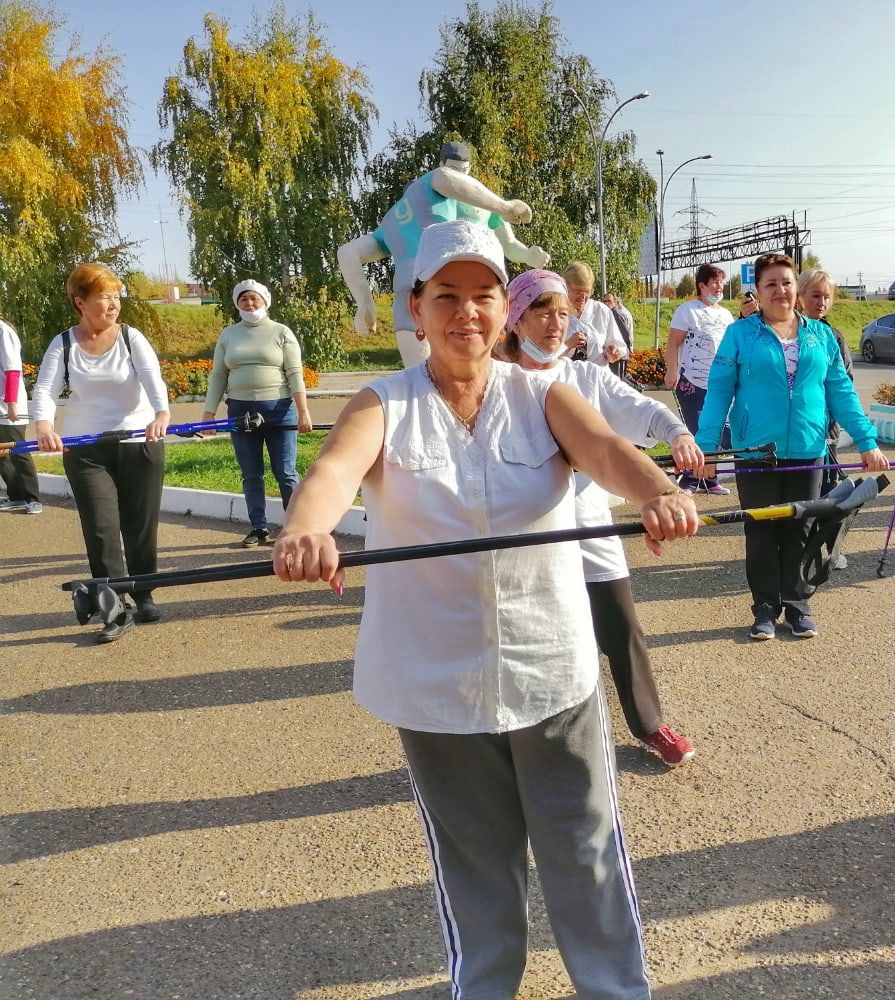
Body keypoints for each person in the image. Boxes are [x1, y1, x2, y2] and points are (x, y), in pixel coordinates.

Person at [273, 220, 696, 999]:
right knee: (475, 862)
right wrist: (307, 529)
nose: (466, 311)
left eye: (483, 295)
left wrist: (657, 491)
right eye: (447, 296)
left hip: (549, 669)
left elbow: (603, 449)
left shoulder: (543, 393)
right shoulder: (383, 402)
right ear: (416, 306)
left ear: (504, 308)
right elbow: (333, 472)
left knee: (585, 848)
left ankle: (615, 990)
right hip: (436, 683)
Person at [507, 269, 701, 766]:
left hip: (591, 528)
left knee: (622, 629)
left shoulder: (586, 377)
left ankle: (651, 725)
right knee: (534, 639)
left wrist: (677, 434)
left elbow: (644, 412)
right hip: (522, 536)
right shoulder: (495, 382)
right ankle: (536, 736)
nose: (555, 322)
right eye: (542, 310)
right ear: (515, 319)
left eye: (563, 312)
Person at [697, 252, 889, 640]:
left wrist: (867, 440)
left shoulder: (821, 336)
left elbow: (841, 393)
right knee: (762, 531)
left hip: (808, 449)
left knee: (801, 529)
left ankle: (798, 605)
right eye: (771, 284)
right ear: (759, 291)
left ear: (795, 289)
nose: (780, 291)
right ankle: (765, 607)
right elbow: (718, 392)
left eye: (786, 283)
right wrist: (706, 449)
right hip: (756, 451)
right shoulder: (740, 334)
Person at [31, 263, 171, 643]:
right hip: (86, 448)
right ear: (80, 302)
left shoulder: (131, 338)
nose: (112, 304)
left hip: (137, 441)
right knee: (101, 529)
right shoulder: (63, 344)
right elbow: (44, 390)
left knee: (139, 525)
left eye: (115, 296)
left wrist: (161, 414)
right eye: (103, 297)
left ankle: (143, 592)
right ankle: (115, 606)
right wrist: (44, 425)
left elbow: (152, 378)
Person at [337, 139, 550, 366]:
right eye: (456, 169)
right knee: (440, 381)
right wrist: (505, 208)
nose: (459, 175)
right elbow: (443, 178)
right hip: (453, 294)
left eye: (463, 171)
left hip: (419, 296)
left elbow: (348, 253)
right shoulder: (433, 186)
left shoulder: (479, 204)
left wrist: (365, 303)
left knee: (429, 381)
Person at [201, 280, 313, 546]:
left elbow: (295, 373)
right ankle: (258, 528)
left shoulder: (281, 332)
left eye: (254, 298)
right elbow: (218, 375)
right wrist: (209, 413)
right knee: (251, 473)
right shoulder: (229, 335)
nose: (249, 303)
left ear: (265, 301)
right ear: (237, 304)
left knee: (285, 472)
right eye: (243, 299)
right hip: (240, 412)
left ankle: (296, 529)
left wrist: (303, 412)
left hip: (279, 410)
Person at [666, 263, 734, 495]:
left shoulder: (726, 314)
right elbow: (673, 343)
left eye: (721, 282)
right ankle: (690, 479)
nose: (719, 287)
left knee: (716, 429)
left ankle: (711, 478)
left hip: (720, 383)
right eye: (714, 282)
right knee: (696, 429)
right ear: (702, 285)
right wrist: (671, 370)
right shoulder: (687, 310)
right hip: (692, 381)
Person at [795, 268, 854, 501]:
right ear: (800, 296)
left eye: (826, 296)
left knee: (826, 487)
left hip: (826, 424)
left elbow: (844, 382)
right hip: (795, 425)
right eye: (815, 295)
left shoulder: (833, 335)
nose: (821, 302)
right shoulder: (786, 332)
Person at [0, 314, 42, 513]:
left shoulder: (3, 331)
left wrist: (11, 404)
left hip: (8, 407)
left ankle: (33, 498)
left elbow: (13, 371)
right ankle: (16, 496)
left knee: (18, 452)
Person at [562, 263, 625, 371]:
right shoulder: (556, 312)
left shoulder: (601, 311)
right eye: (577, 292)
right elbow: (545, 355)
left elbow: (617, 345)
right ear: (565, 287)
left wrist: (612, 352)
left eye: (586, 292)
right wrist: (568, 344)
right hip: (565, 382)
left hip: (597, 381)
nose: (582, 297)